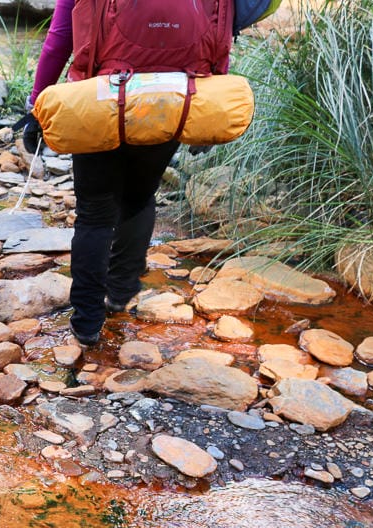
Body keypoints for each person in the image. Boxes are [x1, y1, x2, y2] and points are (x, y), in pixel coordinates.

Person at [21, 0, 228, 348]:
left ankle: (87, 322)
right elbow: (221, 36)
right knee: (139, 196)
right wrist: (210, 103)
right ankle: (120, 291)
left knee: (95, 214)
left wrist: (35, 105)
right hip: (174, 98)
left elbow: (59, 38)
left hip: (100, 98)